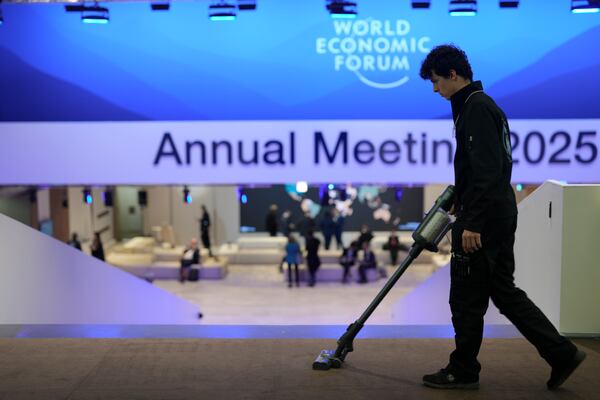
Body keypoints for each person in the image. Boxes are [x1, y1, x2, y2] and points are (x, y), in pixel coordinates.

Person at [419, 44, 585, 390]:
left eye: (436, 81)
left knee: (465, 297)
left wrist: (473, 222)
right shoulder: (475, 106)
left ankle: (463, 370)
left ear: (453, 75)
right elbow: (483, 168)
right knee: (503, 292)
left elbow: (488, 169)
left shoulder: (476, 108)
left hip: (485, 219)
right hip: (496, 212)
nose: (435, 89)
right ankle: (561, 353)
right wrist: (458, 198)